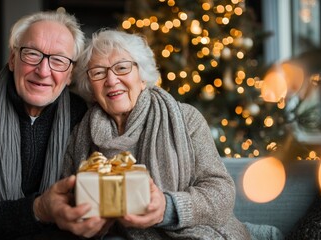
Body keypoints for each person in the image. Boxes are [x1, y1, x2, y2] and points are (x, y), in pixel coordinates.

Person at [62, 29, 251, 239]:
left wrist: (167, 207)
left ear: (142, 77)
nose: (111, 80)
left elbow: (221, 192)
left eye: (122, 68)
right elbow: (70, 195)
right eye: (98, 72)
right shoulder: (81, 132)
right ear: (90, 87)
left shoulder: (186, 118)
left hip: (194, 232)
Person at [0, 11, 107, 240]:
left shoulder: (83, 114)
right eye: (32, 54)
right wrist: (38, 209)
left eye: (58, 60)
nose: (43, 71)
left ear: (69, 74)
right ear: (13, 59)